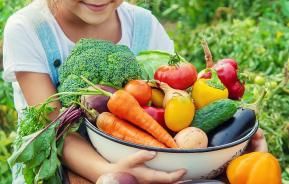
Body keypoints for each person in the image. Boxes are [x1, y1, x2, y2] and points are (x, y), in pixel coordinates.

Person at [2, 0, 268, 183]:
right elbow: (54, 130)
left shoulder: (143, 25)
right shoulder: (29, 29)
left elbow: (175, 103)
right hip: (54, 170)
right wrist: (110, 174)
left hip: (145, 159)